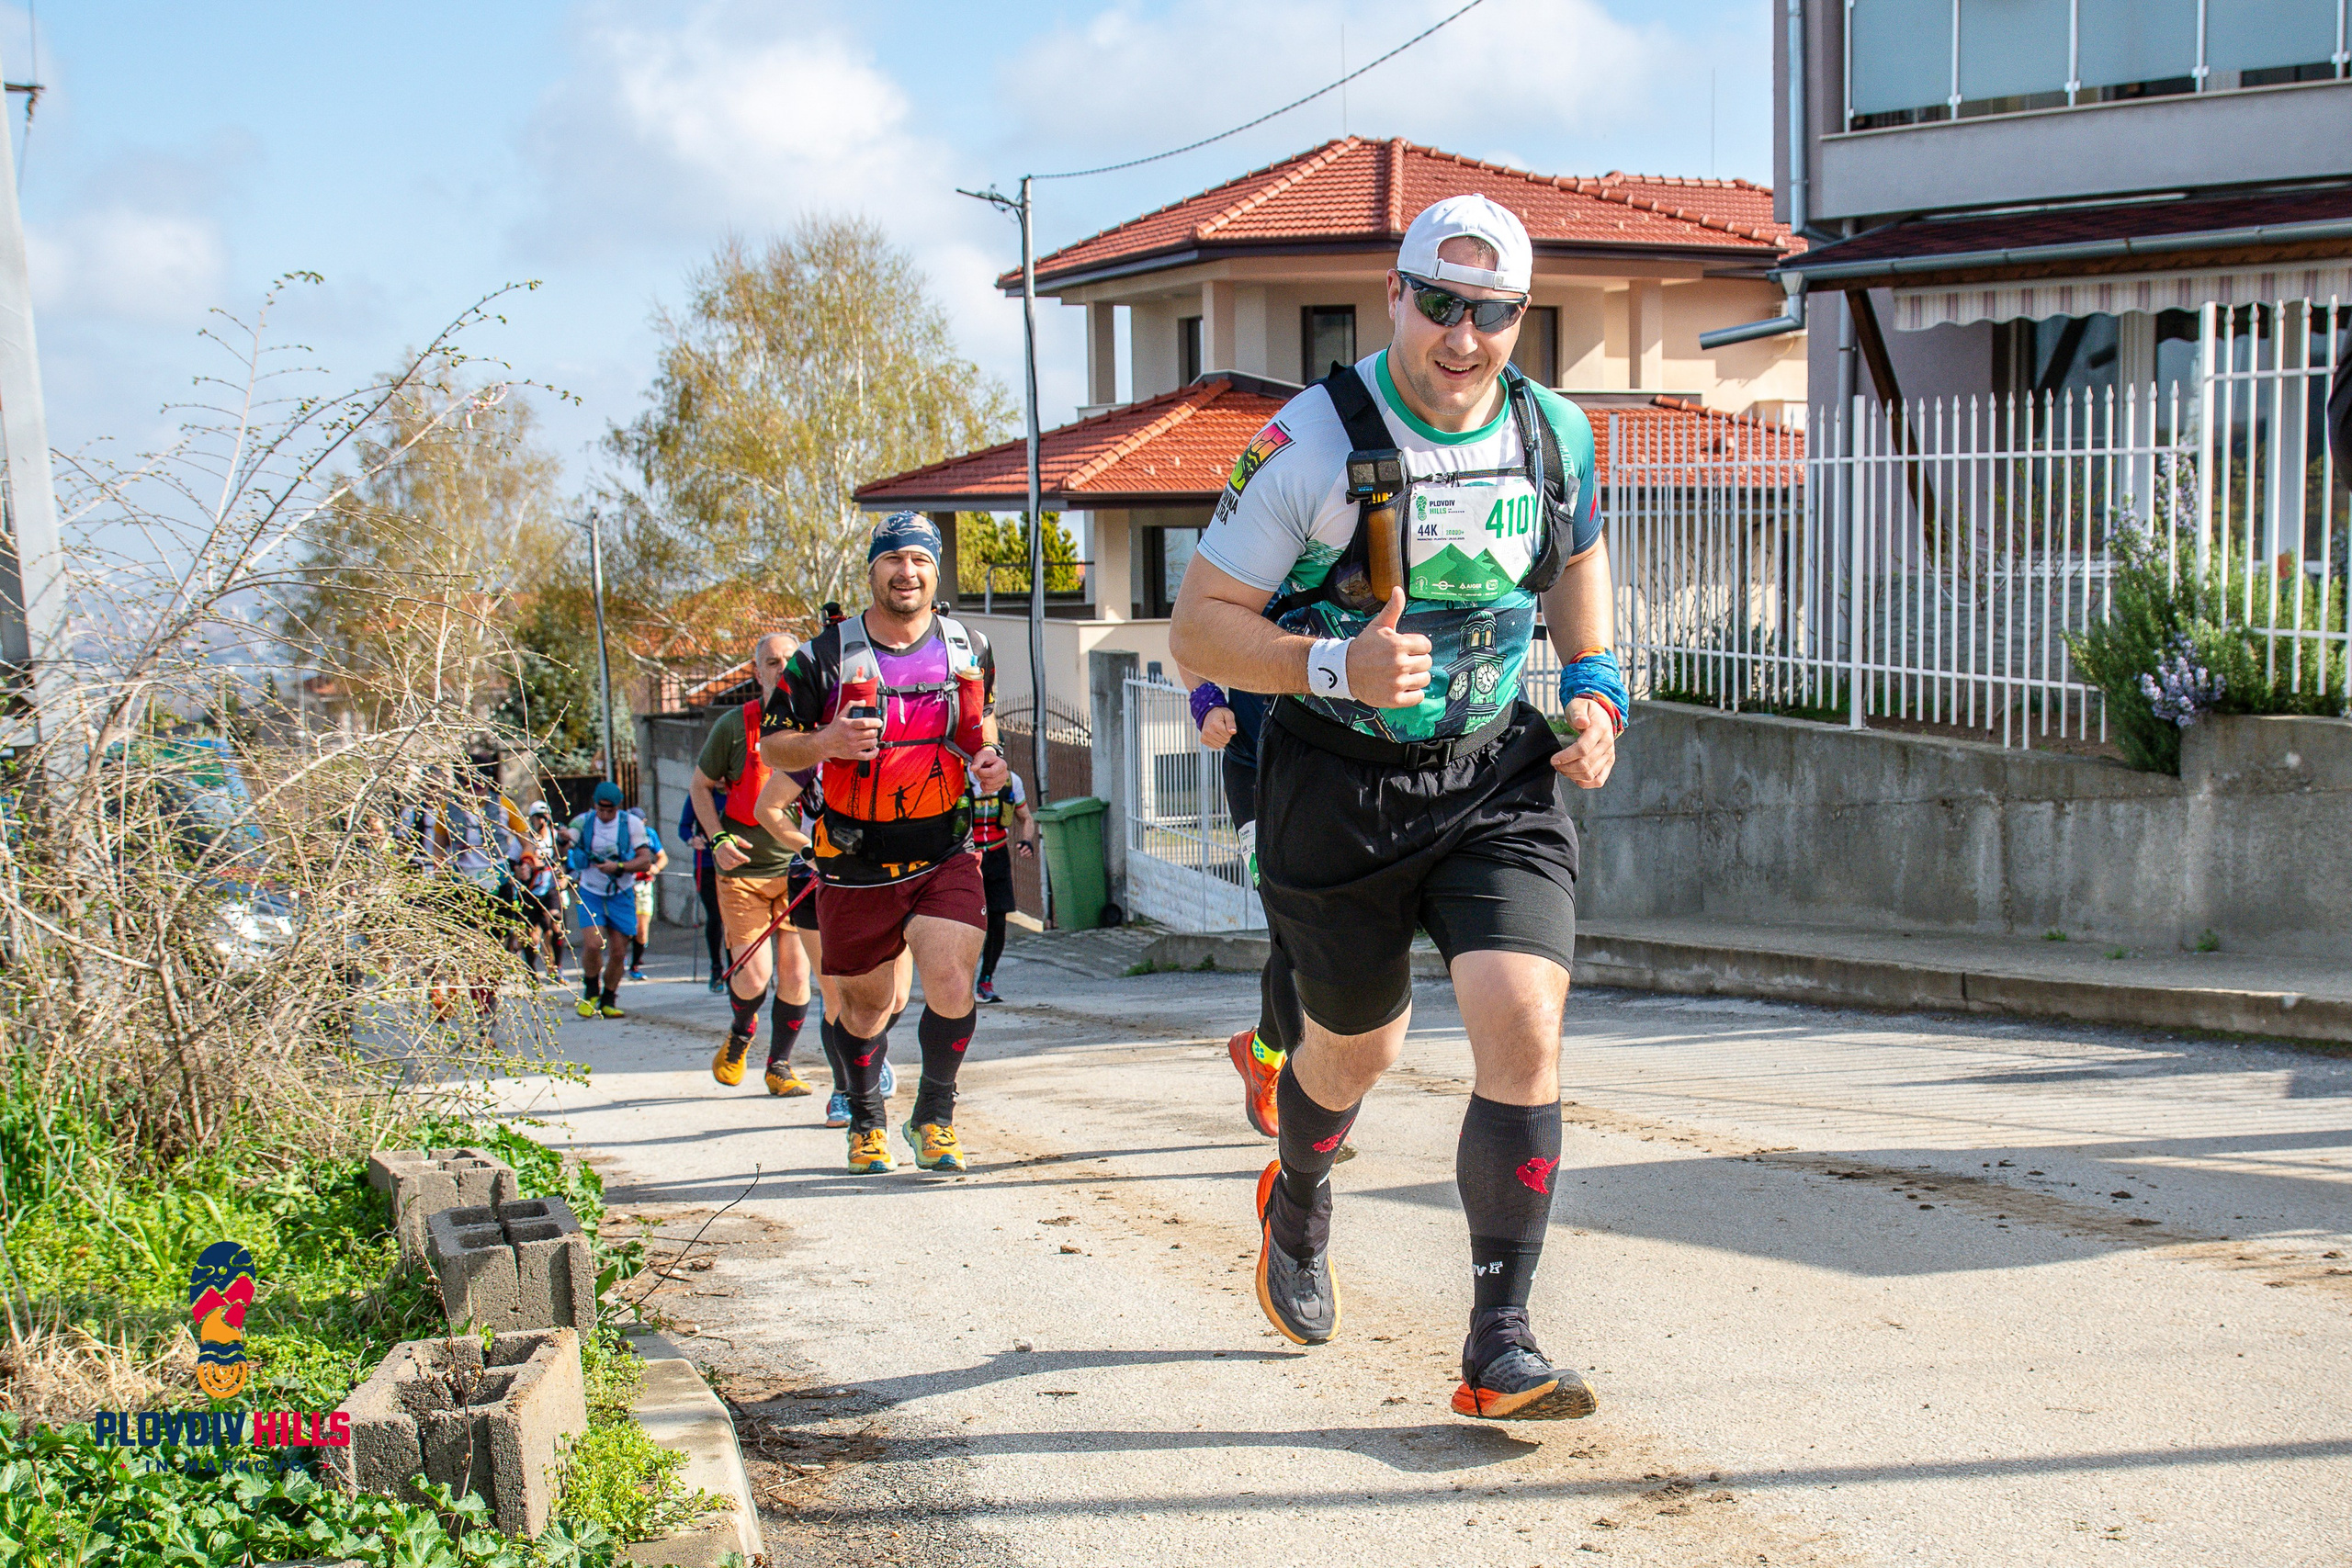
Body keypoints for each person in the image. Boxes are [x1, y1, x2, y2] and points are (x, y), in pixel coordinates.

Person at [1169, 196, 1626, 1422]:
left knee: (1523, 1012)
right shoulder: (1310, 444)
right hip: (1336, 784)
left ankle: (1500, 1340)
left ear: (1521, 317)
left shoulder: (1557, 433)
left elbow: (1578, 558)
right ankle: (1301, 1190)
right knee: (1356, 1047)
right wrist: (1332, 666)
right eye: (1441, 302)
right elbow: (1197, 624)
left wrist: (1593, 685)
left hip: (1492, 771)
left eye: (1494, 312)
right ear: (1394, 294)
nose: (1464, 336)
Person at [756, 512, 1011, 1174]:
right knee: (867, 1006)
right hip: (855, 856)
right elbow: (773, 742)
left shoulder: (969, 646)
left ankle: (934, 1117)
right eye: (894, 558)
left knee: (953, 980)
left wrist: (992, 760)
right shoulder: (825, 655)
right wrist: (826, 743)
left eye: (920, 560)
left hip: (945, 844)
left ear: (935, 570)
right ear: (872, 570)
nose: (908, 571)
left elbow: (982, 729)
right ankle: (867, 1118)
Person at [690, 632, 821, 1098]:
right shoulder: (733, 726)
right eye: (771, 662)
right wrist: (717, 836)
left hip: (798, 870)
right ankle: (742, 1032)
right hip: (741, 874)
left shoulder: (815, 727)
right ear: (757, 670)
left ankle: (779, 1066)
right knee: (753, 975)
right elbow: (700, 786)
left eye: (789, 660)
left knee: (797, 974)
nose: (781, 668)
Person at [567, 781, 660, 1019]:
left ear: (618, 806)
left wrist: (618, 866)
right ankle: (590, 992)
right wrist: (562, 841)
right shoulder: (582, 822)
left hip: (621, 892)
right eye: (601, 809)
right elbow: (566, 846)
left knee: (618, 951)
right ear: (595, 805)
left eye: (611, 810)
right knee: (594, 944)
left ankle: (609, 999)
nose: (605, 815)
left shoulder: (632, 824)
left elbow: (645, 860)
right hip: (590, 891)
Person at [968, 771, 1035, 1003]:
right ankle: (959, 982)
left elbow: (1026, 818)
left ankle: (985, 981)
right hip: (965, 857)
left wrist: (1027, 841)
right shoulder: (958, 778)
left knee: (998, 921)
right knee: (965, 922)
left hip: (997, 856)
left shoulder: (1011, 781)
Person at [679, 794, 728, 992]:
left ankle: (737, 968)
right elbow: (684, 827)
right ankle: (716, 968)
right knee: (715, 917)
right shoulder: (698, 796)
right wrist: (692, 840)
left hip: (732, 864)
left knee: (733, 918)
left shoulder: (736, 792)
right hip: (706, 865)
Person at [628, 842, 667, 981]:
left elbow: (662, 857)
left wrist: (656, 867)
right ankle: (623, 959)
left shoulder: (649, 834)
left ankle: (634, 966)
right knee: (625, 929)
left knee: (642, 931)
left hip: (643, 888)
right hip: (623, 887)